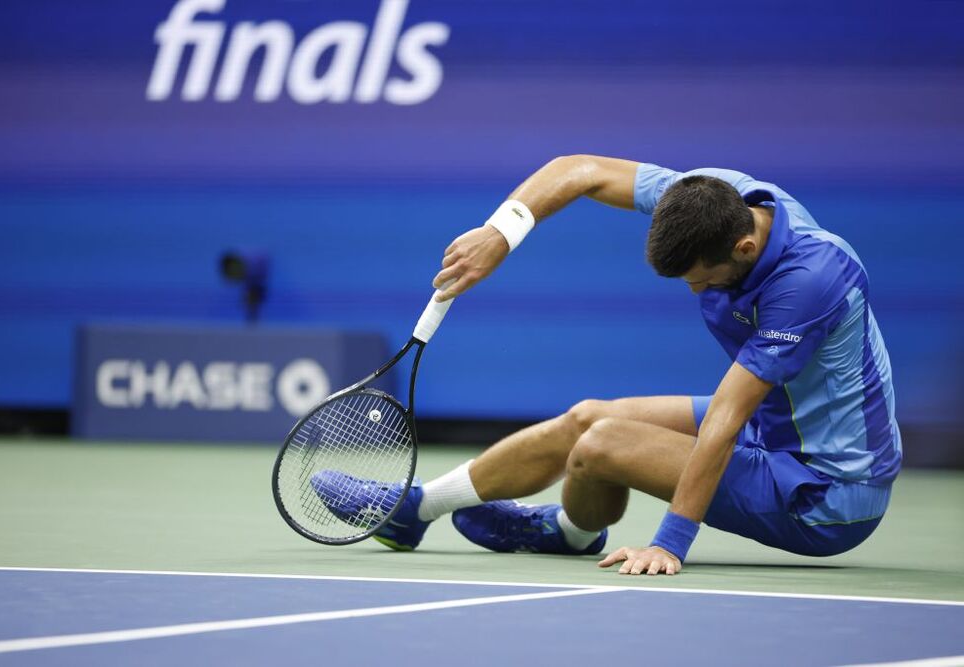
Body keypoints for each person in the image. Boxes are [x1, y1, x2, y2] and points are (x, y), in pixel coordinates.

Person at [312, 155, 902, 575]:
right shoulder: (715, 195)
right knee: (589, 417)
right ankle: (419, 512)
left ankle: (561, 530)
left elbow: (724, 417)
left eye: (701, 279)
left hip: (827, 493)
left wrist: (670, 543)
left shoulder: (811, 280)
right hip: (779, 429)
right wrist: (500, 233)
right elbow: (581, 171)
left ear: (744, 250)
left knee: (601, 445)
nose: (697, 293)